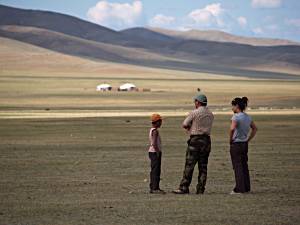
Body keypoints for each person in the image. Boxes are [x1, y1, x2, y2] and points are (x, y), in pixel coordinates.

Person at [173, 93, 214, 194]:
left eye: (195, 101)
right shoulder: (210, 114)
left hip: (195, 140)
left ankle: (184, 187)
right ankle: (201, 188)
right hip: (206, 141)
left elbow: (185, 124)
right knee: (203, 166)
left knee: (189, 165)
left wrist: (190, 128)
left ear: (198, 102)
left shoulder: (194, 113)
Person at [229, 97, 257, 194]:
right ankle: (246, 187)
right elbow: (255, 128)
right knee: (244, 165)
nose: (232, 108)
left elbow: (232, 129)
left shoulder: (235, 117)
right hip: (244, 144)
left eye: (232, 106)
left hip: (236, 144)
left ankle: (239, 189)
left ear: (236, 106)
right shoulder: (248, 117)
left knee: (237, 166)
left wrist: (230, 139)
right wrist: (248, 139)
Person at [148, 114, 165, 194]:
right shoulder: (155, 131)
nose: (161, 123)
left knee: (154, 170)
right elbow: (154, 143)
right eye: (160, 121)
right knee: (156, 170)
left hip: (152, 152)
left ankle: (154, 187)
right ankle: (155, 188)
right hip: (155, 152)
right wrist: (158, 152)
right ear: (157, 122)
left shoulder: (151, 130)